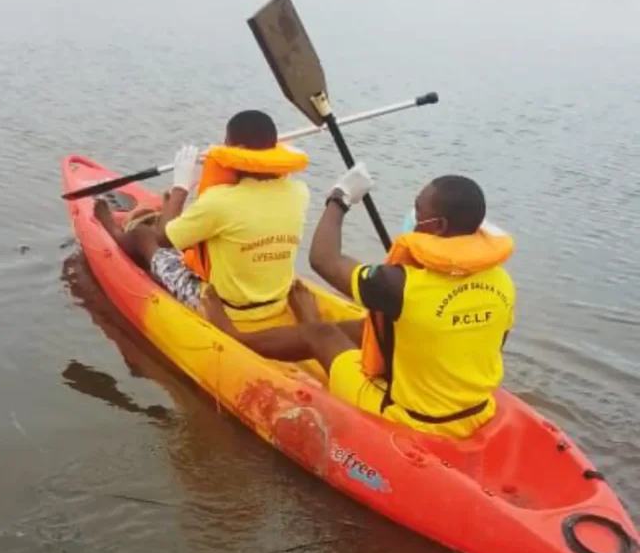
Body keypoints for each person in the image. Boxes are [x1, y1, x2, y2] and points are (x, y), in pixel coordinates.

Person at [208, 163, 515, 438]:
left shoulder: (400, 285)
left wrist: (340, 198)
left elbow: (324, 260)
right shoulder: (501, 281)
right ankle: (314, 329)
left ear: (440, 227)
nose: (413, 216)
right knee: (368, 327)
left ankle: (236, 337)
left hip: (413, 419)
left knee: (321, 333)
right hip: (477, 410)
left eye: (418, 210)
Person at [94, 109, 310, 327]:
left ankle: (115, 233)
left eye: (225, 144)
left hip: (225, 310)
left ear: (237, 151)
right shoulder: (299, 192)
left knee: (144, 236)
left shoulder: (220, 201)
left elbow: (163, 239)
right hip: (275, 303)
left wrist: (181, 186)